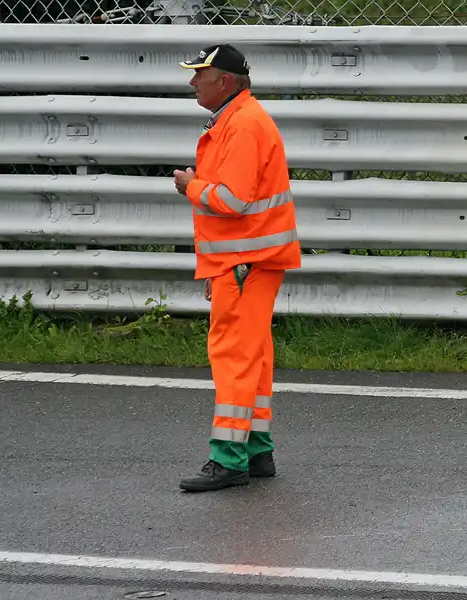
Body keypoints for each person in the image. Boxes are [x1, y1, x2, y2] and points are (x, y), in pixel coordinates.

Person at [172, 43, 302, 492]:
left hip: (245, 261)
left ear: (224, 80)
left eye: (199, 75)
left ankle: (228, 461)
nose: (192, 82)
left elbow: (232, 200)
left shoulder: (242, 125)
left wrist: (191, 186)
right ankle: (256, 450)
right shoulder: (240, 119)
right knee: (254, 357)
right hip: (248, 260)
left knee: (233, 358)